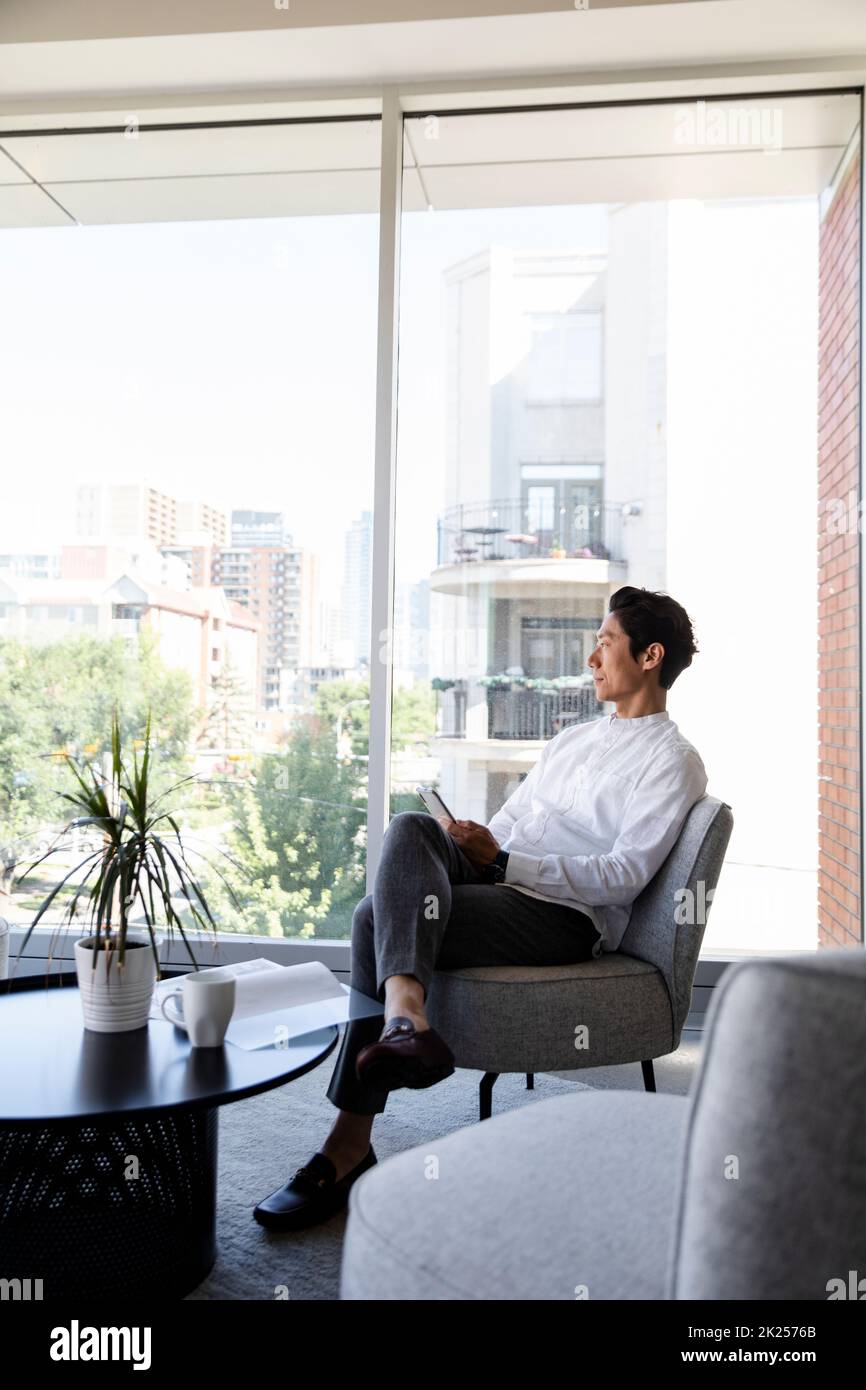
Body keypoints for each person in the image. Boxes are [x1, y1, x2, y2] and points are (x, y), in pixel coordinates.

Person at [253, 584, 709, 1231]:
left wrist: (502, 864)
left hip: (562, 917)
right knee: (414, 827)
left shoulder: (674, 761)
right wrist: (475, 845)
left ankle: (348, 1142)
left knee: (368, 919)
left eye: (605, 643)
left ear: (649, 656)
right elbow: (514, 821)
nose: (591, 659)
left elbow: (623, 878)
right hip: (501, 879)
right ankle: (406, 1021)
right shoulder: (575, 740)